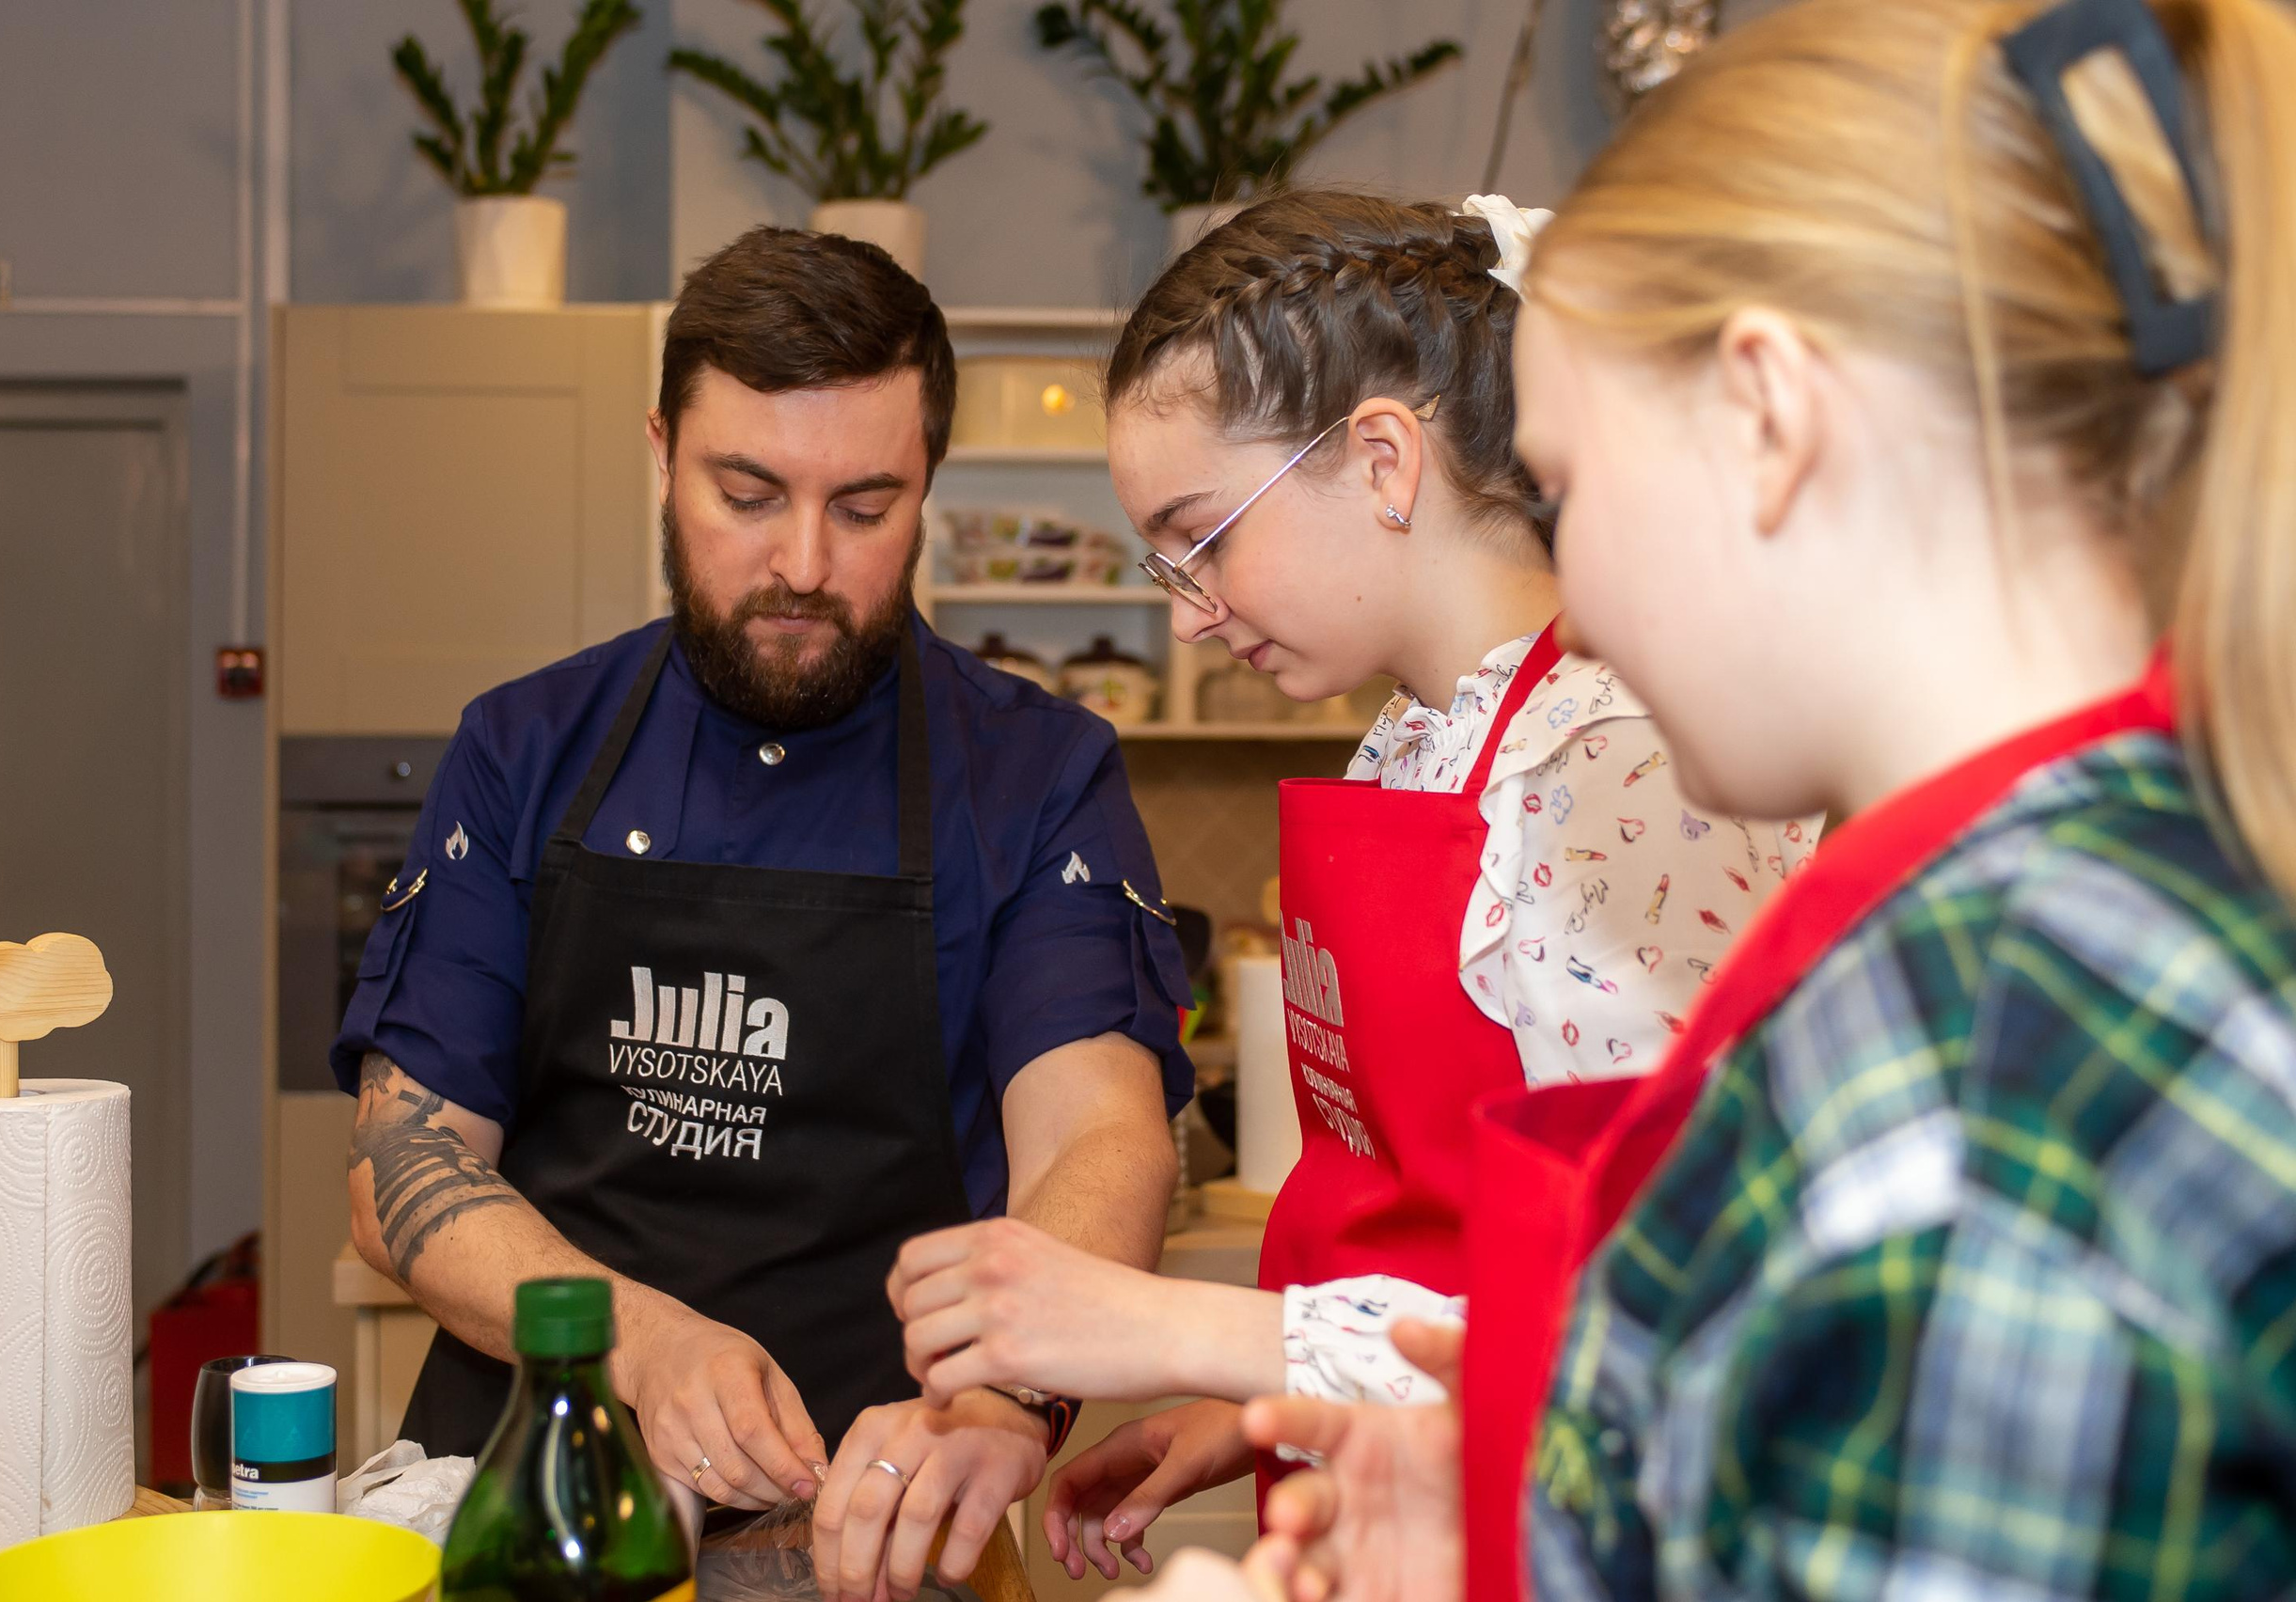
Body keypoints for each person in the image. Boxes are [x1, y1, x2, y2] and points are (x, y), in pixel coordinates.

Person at [1134, 0, 2296, 1595]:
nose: (1581, 609)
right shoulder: (2027, 916)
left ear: (1767, 421)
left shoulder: (1982, 1059)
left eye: (1578, 485)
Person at [882, 189, 1817, 1583]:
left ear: (1384, 460)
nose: (1189, 609)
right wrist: (1272, 1412)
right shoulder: (1414, 746)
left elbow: (1646, 1329)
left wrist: (1178, 1331)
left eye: (1203, 538)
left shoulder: (1612, 770)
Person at [333, 226, 1195, 1601]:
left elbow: (1096, 1137)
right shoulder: (524, 748)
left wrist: (999, 1402)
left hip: (886, 1520)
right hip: (540, 1515)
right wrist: (632, 1342)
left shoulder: (1036, 776)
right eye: (748, 493)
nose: (802, 565)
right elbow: (401, 1168)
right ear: (663, 452)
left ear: (928, 486)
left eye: (865, 507)